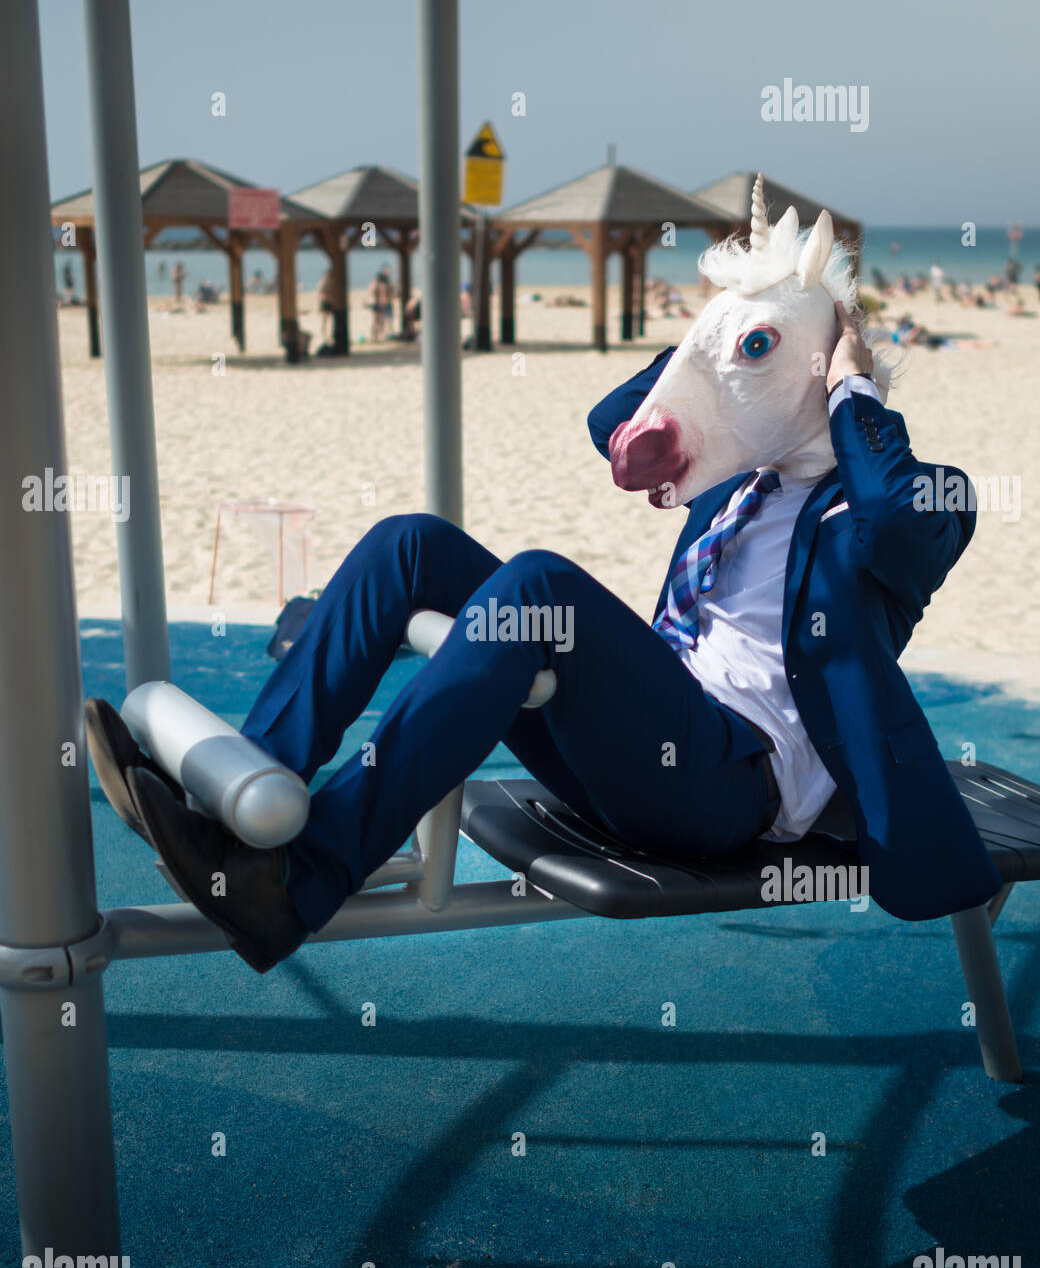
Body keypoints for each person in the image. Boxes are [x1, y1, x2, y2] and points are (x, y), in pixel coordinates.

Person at [86, 301, 1000, 972]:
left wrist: (850, 386)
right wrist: (717, 339)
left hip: (730, 786)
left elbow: (890, 519)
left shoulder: (923, 501)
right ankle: (248, 797)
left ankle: (299, 880)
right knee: (416, 544)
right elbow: (615, 424)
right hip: (640, 742)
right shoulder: (735, 480)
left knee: (541, 586)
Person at [367, 267, 395, 342]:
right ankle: (375, 337)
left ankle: (379, 336)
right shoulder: (378, 283)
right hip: (378, 304)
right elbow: (372, 294)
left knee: (383, 321)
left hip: (383, 304)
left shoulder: (386, 283)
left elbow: (392, 293)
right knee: (378, 321)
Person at [317, 267, 336, 342]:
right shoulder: (322, 282)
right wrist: (319, 304)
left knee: (330, 320)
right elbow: (319, 294)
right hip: (324, 302)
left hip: (330, 302)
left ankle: (329, 335)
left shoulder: (331, 282)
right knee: (324, 320)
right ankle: (323, 335)